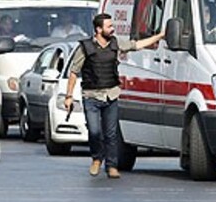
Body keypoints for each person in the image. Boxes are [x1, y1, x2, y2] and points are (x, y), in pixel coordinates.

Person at [64, 13, 164, 179]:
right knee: (95, 131)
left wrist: (159, 36)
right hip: (91, 96)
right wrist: (68, 96)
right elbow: (74, 72)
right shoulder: (85, 47)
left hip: (111, 95)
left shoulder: (115, 43)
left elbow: (137, 45)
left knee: (111, 134)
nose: (112, 29)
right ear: (98, 29)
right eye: (109, 26)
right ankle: (97, 158)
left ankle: (111, 166)